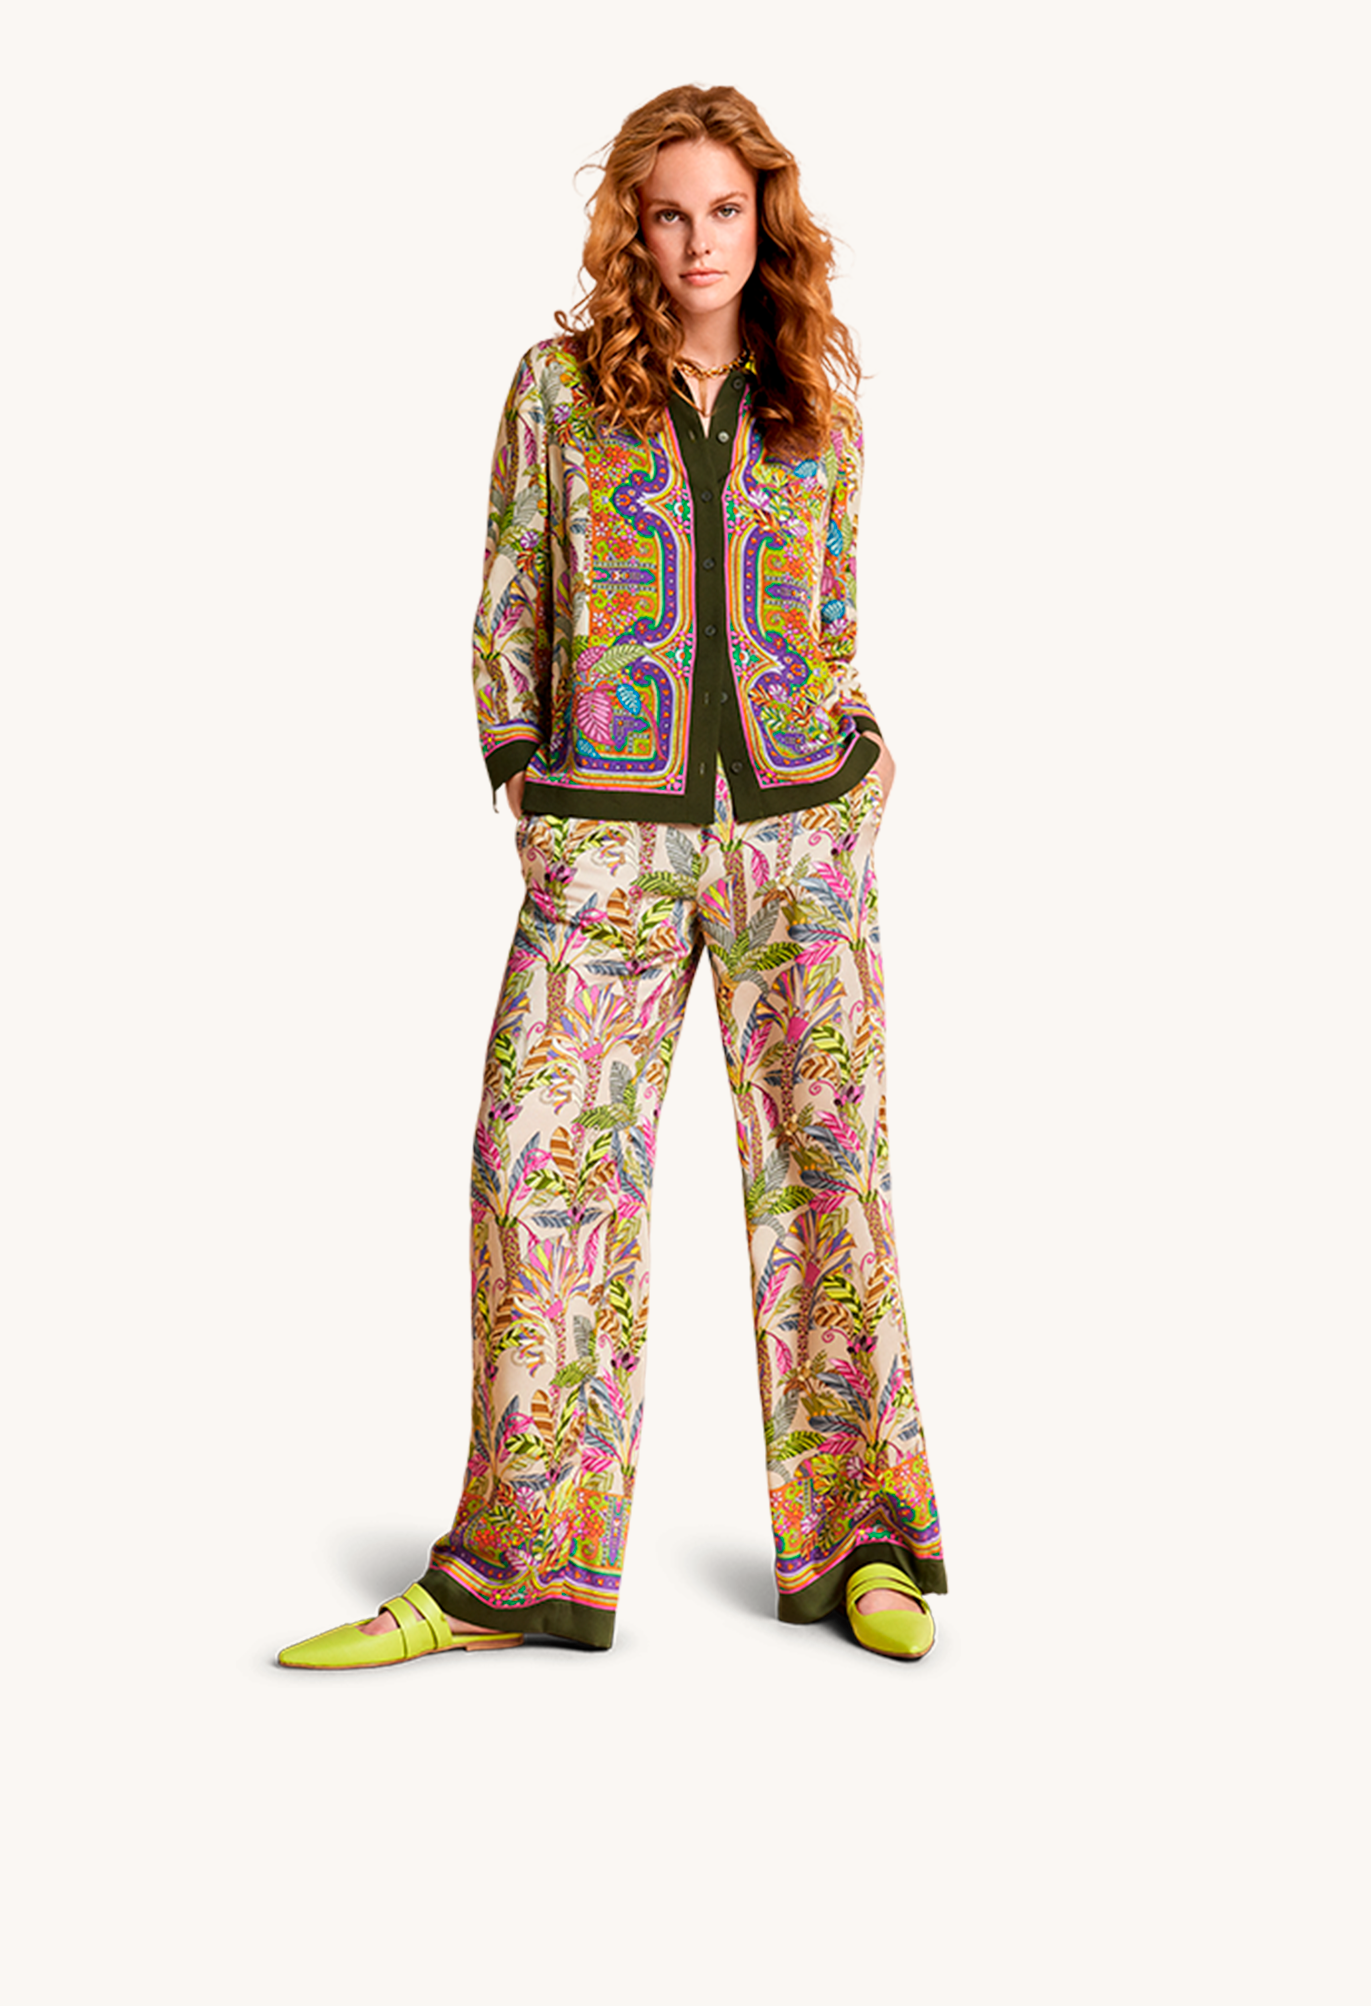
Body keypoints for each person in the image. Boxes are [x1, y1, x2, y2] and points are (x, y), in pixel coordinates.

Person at [279, 81, 947, 1671]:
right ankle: (512, 1566)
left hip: (798, 840)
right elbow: (508, 593)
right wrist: (529, 778)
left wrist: (852, 771)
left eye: (725, 210)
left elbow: (830, 613)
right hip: (607, 843)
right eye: (669, 213)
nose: (699, 241)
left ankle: (863, 1539)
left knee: (830, 1181)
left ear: (764, 219)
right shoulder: (559, 389)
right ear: (630, 228)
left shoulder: (814, 396)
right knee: (536, 1175)